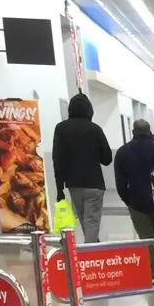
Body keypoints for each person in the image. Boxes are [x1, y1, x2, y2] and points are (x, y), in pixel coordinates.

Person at [51, 93, 112, 243]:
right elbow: (107, 159)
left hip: (73, 184)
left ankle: (92, 247)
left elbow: (57, 159)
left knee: (85, 220)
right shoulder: (95, 129)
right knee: (91, 221)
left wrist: (59, 189)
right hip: (94, 183)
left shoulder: (61, 128)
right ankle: (90, 254)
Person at [114, 119, 154, 239]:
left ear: (133, 131)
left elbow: (120, 182)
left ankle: (150, 258)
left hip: (138, 202)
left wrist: (129, 200)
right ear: (150, 131)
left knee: (146, 242)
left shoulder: (123, 152)